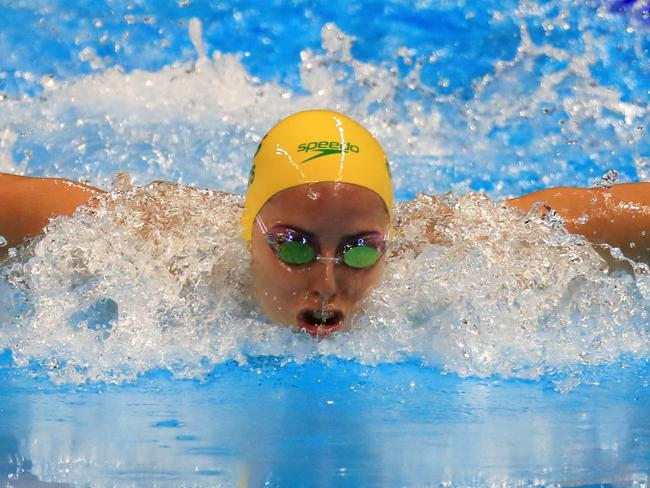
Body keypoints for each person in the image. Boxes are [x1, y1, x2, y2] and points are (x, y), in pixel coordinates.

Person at [1, 110, 649, 336]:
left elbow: (602, 217)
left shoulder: (457, 253)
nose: (328, 281)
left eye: (362, 250)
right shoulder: (155, 249)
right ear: (250, 229)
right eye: (293, 245)